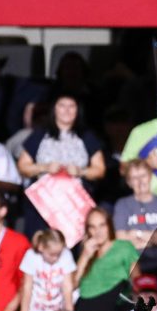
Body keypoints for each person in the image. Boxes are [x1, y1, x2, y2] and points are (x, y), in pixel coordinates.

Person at [17, 93, 106, 234]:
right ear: (54, 109)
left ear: (78, 110)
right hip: (44, 203)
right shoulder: (40, 134)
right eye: (62, 106)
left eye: (72, 106)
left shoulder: (87, 136)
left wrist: (80, 171)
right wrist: (44, 167)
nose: (67, 110)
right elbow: (23, 166)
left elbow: (100, 169)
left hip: (74, 205)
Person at [74, 207, 139, 311]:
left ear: (109, 225)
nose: (97, 231)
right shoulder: (86, 250)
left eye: (102, 225)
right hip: (85, 310)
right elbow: (73, 284)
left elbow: (137, 280)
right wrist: (84, 256)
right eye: (92, 227)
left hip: (112, 309)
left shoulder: (124, 247)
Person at [112, 157, 157, 273]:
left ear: (150, 176)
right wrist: (153, 238)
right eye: (135, 178)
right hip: (131, 261)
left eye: (143, 176)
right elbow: (120, 238)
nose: (140, 181)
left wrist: (137, 234)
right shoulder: (122, 204)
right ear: (129, 182)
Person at [18, 229, 76, 311]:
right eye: (52, 254)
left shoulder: (66, 254)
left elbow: (68, 288)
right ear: (41, 247)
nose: (56, 258)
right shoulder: (31, 256)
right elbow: (27, 287)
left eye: (58, 254)